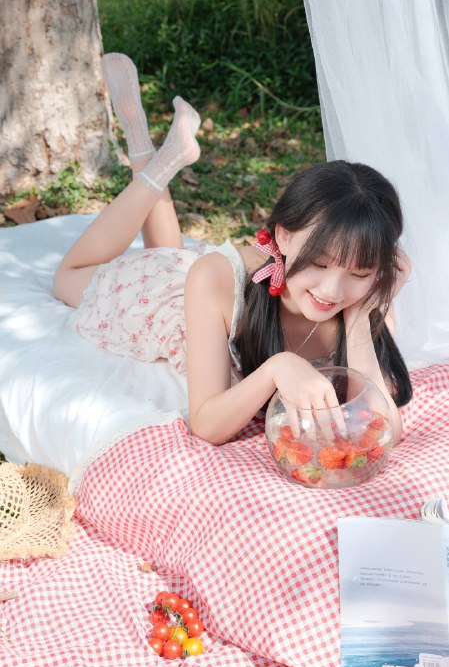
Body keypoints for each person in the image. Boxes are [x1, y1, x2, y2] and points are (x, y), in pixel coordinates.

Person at [54, 53, 412, 447]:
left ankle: (158, 152)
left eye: (359, 272)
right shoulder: (216, 279)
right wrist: (277, 368)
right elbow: (206, 424)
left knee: (167, 249)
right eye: (320, 263)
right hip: (164, 289)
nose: (332, 290)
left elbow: (383, 430)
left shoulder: (367, 300)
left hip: (204, 292)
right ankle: (154, 160)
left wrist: (359, 316)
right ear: (283, 236)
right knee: (70, 276)